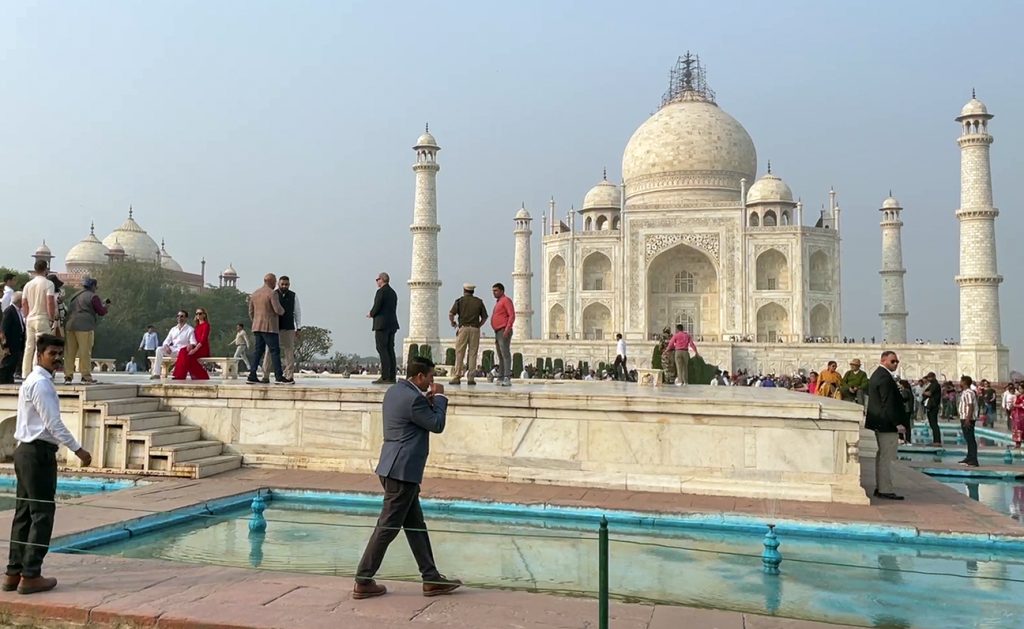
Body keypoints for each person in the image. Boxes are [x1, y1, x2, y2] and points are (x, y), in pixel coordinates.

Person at [353, 356, 462, 599]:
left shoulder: (394, 391)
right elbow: (436, 424)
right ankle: (363, 579)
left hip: (393, 467)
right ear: (420, 376)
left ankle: (431, 577)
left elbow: (413, 414)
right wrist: (442, 399)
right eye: (431, 377)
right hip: (403, 471)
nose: (432, 381)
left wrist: (427, 401)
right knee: (387, 527)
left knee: (415, 526)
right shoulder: (414, 400)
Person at [5, 334, 92, 595]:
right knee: (41, 514)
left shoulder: (33, 381)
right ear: (39, 354)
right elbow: (53, 424)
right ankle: (30, 574)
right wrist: (79, 450)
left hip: (26, 451)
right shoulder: (41, 384)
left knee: (23, 513)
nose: (56, 359)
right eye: (51, 353)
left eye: (59, 354)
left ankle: (14, 572)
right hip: (37, 453)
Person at [865, 351, 906, 500]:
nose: (895, 364)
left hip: (880, 423)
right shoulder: (884, 377)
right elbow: (888, 403)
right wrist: (898, 423)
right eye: (893, 361)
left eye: (897, 362)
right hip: (886, 424)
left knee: (882, 456)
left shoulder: (879, 374)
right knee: (887, 457)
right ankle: (885, 489)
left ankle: (881, 487)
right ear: (883, 360)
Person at [62, 277, 109, 385]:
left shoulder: (74, 296)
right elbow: (101, 311)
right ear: (93, 286)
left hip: (70, 325)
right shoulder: (93, 296)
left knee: (69, 353)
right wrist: (106, 307)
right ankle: (85, 377)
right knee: (84, 352)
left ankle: (68, 376)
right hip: (85, 326)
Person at [247, 273, 289, 385]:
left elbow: (250, 311)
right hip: (269, 327)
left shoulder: (255, 293)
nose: (275, 284)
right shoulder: (272, 293)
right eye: (275, 281)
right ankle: (279, 376)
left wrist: (255, 321)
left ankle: (252, 374)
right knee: (275, 351)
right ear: (271, 281)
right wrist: (284, 311)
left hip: (257, 327)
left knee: (257, 352)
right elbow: (277, 309)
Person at [20, 260, 57, 378]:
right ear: (46, 269)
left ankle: (25, 373)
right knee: (41, 347)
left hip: (30, 318)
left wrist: (26, 317)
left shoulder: (28, 285)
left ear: (35, 269)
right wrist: (51, 318)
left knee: (29, 347)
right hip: (42, 317)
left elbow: (24, 303)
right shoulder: (48, 284)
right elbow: (50, 302)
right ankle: (37, 373)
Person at [447, 284, 488, 385]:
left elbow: (451, 313)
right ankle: (471, 377)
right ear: (473, 291)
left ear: (464, 290)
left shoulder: (460, 301)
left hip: (463, 328)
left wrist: (453, 323)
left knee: (460, 352)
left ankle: (457, 376)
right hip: (475, 329)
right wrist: (478, 325)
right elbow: (485, 317)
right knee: (473, 353)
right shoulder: (479, 302)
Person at [262, 275, 301, 380]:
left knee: (289, 352)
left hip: (288, 327)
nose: (284, 286)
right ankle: (265, 375)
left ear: (289, 285)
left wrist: (299, 327)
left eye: (286, 284)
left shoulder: (293, 296)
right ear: (278, 284)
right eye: (282, 284)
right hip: (274, 327)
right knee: (269, 351)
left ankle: (289, 375)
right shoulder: (273, 294)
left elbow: (297, 312)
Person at [368, 272, 399, 385]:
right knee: (390, 350)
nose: (376, 281)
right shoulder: (393, 293)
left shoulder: (381, 292)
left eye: (377, 279)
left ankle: (385, 376)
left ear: (382, 280)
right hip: (392, 324)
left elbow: (377, 306)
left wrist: (371, 314)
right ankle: (392, 376)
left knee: (382, 349)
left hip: (382, 325)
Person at [150, 311, 196, 380]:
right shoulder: (173, 329)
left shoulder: (190, 329)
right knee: (159, 349)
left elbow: (193, 342)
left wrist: (191, 345)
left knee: (182, 352)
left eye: (182, 316)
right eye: (178, 316)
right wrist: (166, 346)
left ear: (186, 318)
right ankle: (156, 374)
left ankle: (179, 374)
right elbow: (166, 341)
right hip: (173, 350)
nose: (179, 318)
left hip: (183, 352)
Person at [172, 308, 210, 380]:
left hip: (202, 349)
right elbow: (193, 339)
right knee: (183, 351)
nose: (198, 315)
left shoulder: (206, 325)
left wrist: (195, 349)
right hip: (195, 347)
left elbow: (203, 340)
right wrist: (190, 345)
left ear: (204, 315)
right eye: (197, 314)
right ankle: (179, 374)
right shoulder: (197, 326)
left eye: (200, 313)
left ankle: (201, 375)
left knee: (188, 356)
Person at [490, 283, 515, 387]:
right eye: (493, 291)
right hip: (498, 331)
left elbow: (512, 315)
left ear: (501, 291)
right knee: (500, 355)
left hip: (503, 330)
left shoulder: (506, 300)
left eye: (496, 290)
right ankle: (500, 376)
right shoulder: (499, 302)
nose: (494, 293)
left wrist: (507, 329)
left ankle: (507, 377)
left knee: (505, 354)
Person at [0, 292, 26, 384]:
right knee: (7, 363)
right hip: (10, 343)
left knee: (13, 363)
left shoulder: (18, 311)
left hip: (17, 342)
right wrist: (5, 345)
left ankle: (8, 379)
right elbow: (3, 329)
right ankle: (3, 380)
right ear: (20, 301)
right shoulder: (9, 311)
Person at [958, 375, 979, 467]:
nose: (960, 382)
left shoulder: (969, 393)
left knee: (970, 439)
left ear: (964, 382)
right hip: (964, 417)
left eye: (961, 381)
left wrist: (967, 419)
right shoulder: (965, 392)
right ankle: (969, 457)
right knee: (968, 438)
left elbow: (971, 406)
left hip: (968, 418)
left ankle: (973, 459)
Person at [921, 372, 943, 446]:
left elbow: (929, 393)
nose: (928, 379)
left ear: (933, 377)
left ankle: (937, 441)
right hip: (931, 406)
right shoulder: (932, 384)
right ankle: (936, 441)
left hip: (933, 406)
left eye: (930, 377)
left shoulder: (935, 385)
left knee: (934, 424)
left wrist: (924, 393)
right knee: (932, 424)